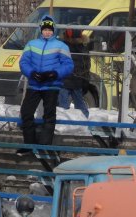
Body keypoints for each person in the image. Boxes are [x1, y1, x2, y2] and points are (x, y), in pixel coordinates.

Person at [17, 15, 73, 154]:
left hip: (51, 85)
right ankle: (29, 145)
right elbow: (24, 62)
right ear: (40, 30)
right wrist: (31, 73)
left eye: (50, 30)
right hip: (34, 84)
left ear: (54, 31)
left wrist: (55, 73)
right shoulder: (31, 44)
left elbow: (69, 65)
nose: (47, 32)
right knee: (26, 112)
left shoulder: (61, 46)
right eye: (45, 29)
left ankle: (44, 147)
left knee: (49, 115)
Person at [57, 28, 89, 118]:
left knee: (63, 107)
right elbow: (86, 67)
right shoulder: (83, 48)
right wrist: (86, 81)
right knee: (80, 105)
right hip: (77, 81)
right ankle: (85, 122)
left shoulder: (62, 47)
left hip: (65, 81)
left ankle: (62, 124)